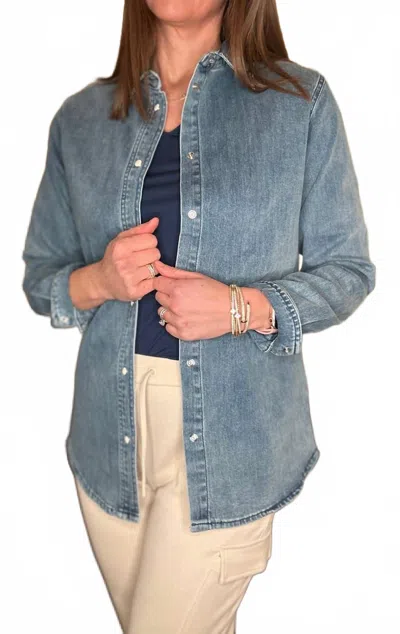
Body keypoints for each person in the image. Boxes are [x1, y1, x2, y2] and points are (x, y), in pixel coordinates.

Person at [21, 0, 376, 632]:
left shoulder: (299, 104)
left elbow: (348, 271)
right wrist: (100, 279)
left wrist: (240, 307)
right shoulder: (80, 119)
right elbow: (43, 277)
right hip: (108, 438)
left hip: (232, 440)